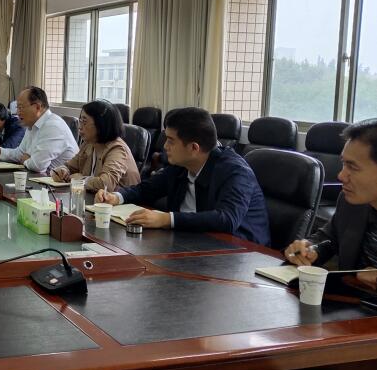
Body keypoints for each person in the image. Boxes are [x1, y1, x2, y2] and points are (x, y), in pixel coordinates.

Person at [95, 107, 270, 245]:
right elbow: (147, 189)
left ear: (194, 148)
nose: (165, 146)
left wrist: (166, 219)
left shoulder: (235, 171)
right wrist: (116, 197)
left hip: (240, 252)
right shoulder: (181, 165)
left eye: (171, 141)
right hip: (191, 242)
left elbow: (227, 219)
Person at [284, 119, 377, 289]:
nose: (341, 176)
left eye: (353, 167)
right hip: (351, 301)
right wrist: (308, 249)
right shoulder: (351, 203)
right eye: (343, 164)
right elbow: (328, 239)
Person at [0, 87, 78, 173]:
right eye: (17, 108)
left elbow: (37, 165)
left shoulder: (53, 126)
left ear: (37, 107)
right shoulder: (32, 124)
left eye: (21, 107)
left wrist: (25, 160)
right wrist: (0, 151)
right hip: (43, 179)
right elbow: (20, 153)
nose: (18, 112)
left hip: (63, 184)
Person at [51, 100, 140, 192]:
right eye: (80, 121)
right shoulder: (89, 144)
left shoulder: (117, 149)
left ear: (101, 125)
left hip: (121, 200)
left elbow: (106, 184)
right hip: (93, 198)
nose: (80, 127)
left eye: (84, 122)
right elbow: (70, 166)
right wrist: (62, 171)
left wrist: (82, 180)